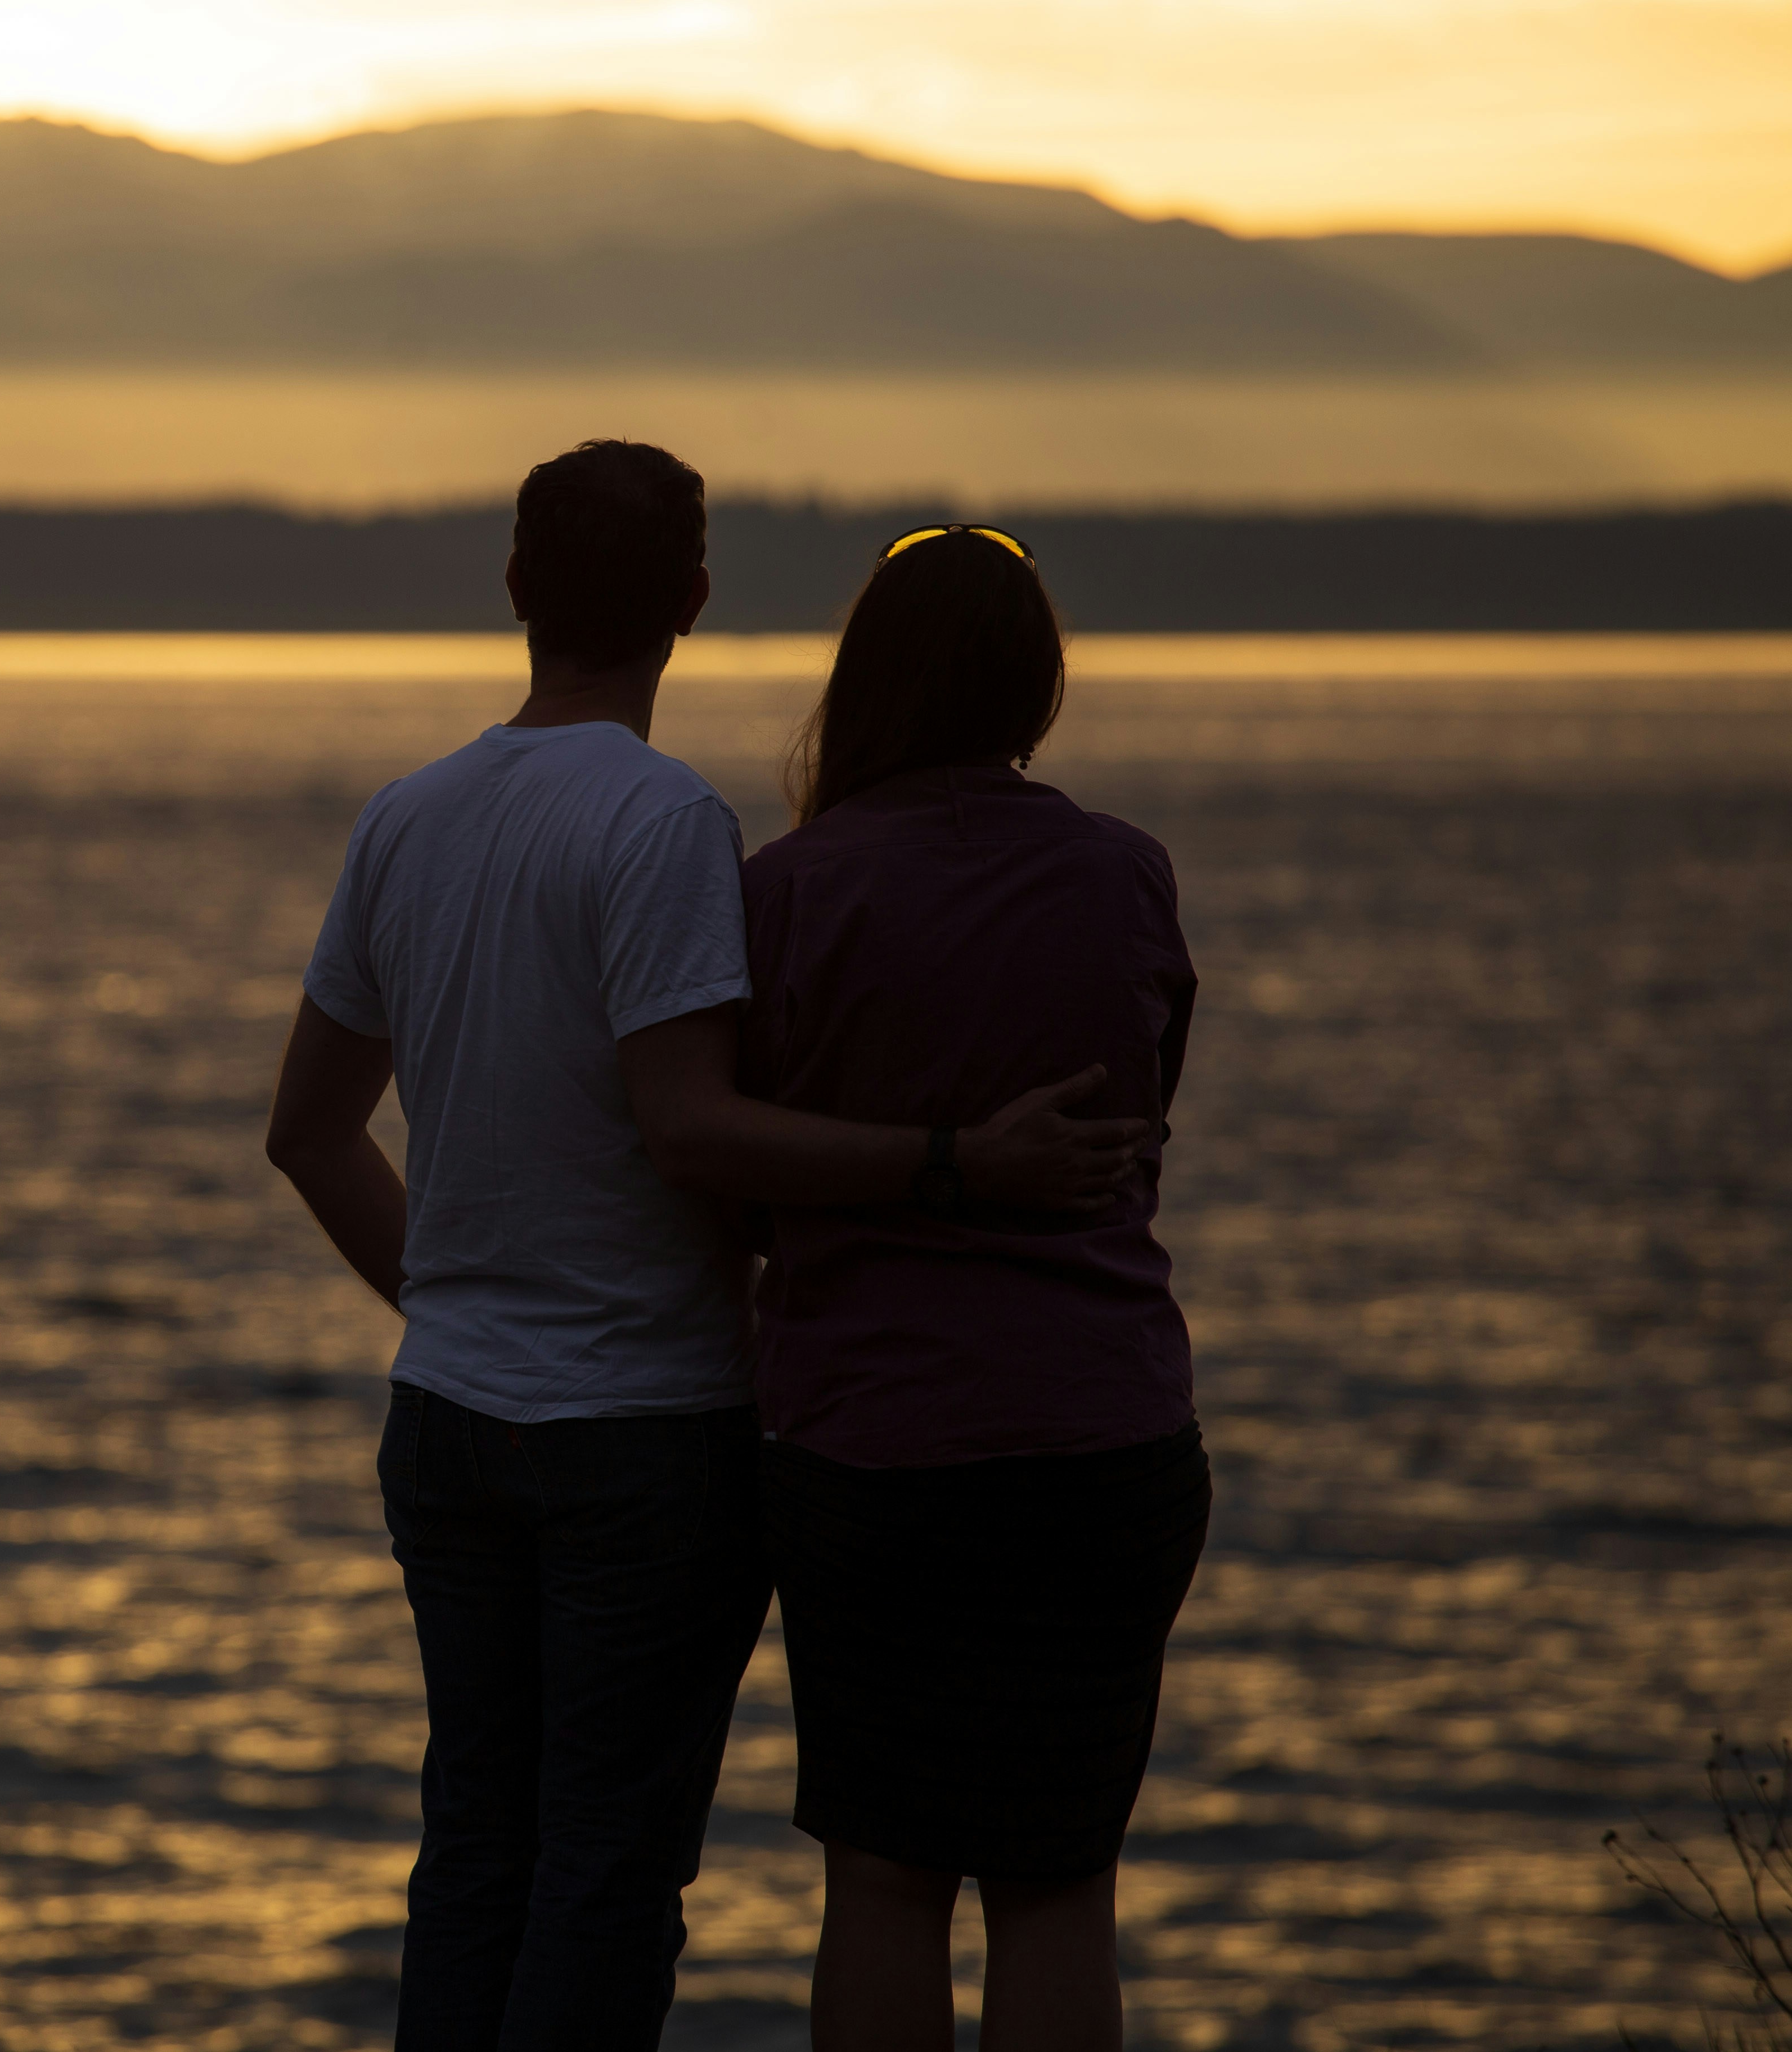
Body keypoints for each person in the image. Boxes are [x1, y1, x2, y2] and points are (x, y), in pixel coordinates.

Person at [262, 447, 1154, 2052]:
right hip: (645, 1432)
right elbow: (691, 1130)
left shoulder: (408, 817)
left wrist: (456, 1303)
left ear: (516, 591)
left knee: (475, 1848)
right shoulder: (669, 819)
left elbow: (310, 1131)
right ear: (691, 603)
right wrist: (954, 1164)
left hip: (451, 1419)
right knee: (608, 1866)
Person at [732, 523, 1208, 2052]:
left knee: (882, 1877)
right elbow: (1143, 1130)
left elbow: (737, 1177)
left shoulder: (785, 892)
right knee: (1062, 1884)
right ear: (1036, 686)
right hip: (1106, 1436)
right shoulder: (1127, 875)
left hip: (878, 1445)